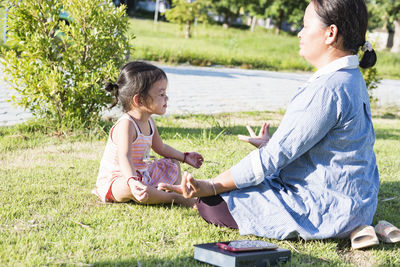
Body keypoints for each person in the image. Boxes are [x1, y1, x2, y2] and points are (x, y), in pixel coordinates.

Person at [159, 0, 379, 240]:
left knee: (212, 203)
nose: (299, 33)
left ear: (331, 33)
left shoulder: (328, 88)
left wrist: (212, 185)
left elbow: (273, 159)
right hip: (355, 201)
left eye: (305, 26)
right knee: (232, 190)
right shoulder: (350, 77)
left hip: (332, 208)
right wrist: (271, 144)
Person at [94, 61, 204, 207]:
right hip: (118, 181)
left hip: (142, 175)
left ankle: (171, 191)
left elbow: (162, 148)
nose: (166, 98)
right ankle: (174, 198)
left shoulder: (149, 122)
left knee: (172, 162)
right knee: (133, 188)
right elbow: (124, 157)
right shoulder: (126, 125)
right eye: (161, 94)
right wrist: (132, 181)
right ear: (139, 100)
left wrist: (185, 157)